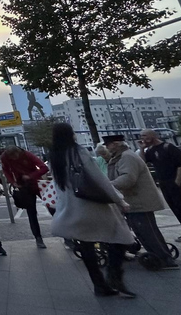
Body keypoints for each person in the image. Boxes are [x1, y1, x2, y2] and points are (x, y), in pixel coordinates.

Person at [50, 123, 136, 298]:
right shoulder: (78, 151)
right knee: (121, 237)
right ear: (70, 134)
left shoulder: (53, 155)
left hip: (71, 207)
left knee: (86, 245)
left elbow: (58, 185)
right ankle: (114, 275)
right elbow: (98, 177)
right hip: (91, 204)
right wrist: (118, 199)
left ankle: (99, 285)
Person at [105, 135, 178, 269]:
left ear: (115, 144)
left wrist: (108, 185)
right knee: (145, 230)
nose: (107, 148)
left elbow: (128, 179)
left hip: (139, 201)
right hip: (134, 201)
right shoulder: (122, 156)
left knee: (147, 231)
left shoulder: (127, 157)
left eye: (108, 145)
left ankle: (164, 259)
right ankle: (162, 255)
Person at [140, 129, 181, 245]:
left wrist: (177, 182)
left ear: (153, 135)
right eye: (141, 136)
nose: (143, 138)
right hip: (163, 182)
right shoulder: (150, 150)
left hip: (173, 181)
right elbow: (143, 162)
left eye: (145, 135)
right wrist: (142, 149)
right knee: (174, 207)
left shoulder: (168, 147)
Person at [1, 145, 49, 248]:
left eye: (16, 157)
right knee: (31, 212)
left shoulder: (27, 155)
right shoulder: (5, 157)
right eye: (12, 158)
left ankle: (67, 237)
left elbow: (44, 168)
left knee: (52, 207)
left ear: (19, 153)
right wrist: (13, 182)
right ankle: (38, 238)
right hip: (23, 185)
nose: (14, 160)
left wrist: (30, 176)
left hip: (37, 183)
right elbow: (6, 170)